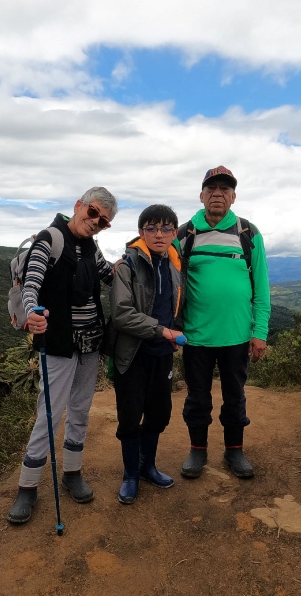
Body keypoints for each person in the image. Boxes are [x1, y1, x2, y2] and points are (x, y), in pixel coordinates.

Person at [7, 187, 117, 524]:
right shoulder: (49, 239)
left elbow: (109, 275)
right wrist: (32, 315)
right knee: (49, 414)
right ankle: (27, 488)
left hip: (91, 344)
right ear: (78, 206)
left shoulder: (90, 247)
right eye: (94, 213)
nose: (96, 222)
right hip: (57, 343)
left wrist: (139, 259)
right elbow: (32, 284)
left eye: (104, 221)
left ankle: (72, 473)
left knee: (81, 410)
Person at [177, 166, 270, 479]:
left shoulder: (248, 233)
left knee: (235, 396)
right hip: (195, 336)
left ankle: (235, 452)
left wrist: (259, 332)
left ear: (233, 196)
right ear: (202, 195)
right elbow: (166, 278)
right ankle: (197, 451)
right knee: (197, 397)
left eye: (224, 189)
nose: (217, 194)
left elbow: (262, 287)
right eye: (211, 188)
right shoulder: (184, 234)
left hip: (237, 336)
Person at [109, 205, 185, 504]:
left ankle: (147, 467)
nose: (159, 234)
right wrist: (163, 331)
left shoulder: (175, 266)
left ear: (174, 234)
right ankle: (130, 474)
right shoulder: (127, 266)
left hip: (162, 354)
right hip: (132, 353)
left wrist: (175, 330)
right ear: (141, 232)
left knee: (158, 414)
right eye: (151, 228)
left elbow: (176, 306)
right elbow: (121, 314)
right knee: (130, 416)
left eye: (166, 229)